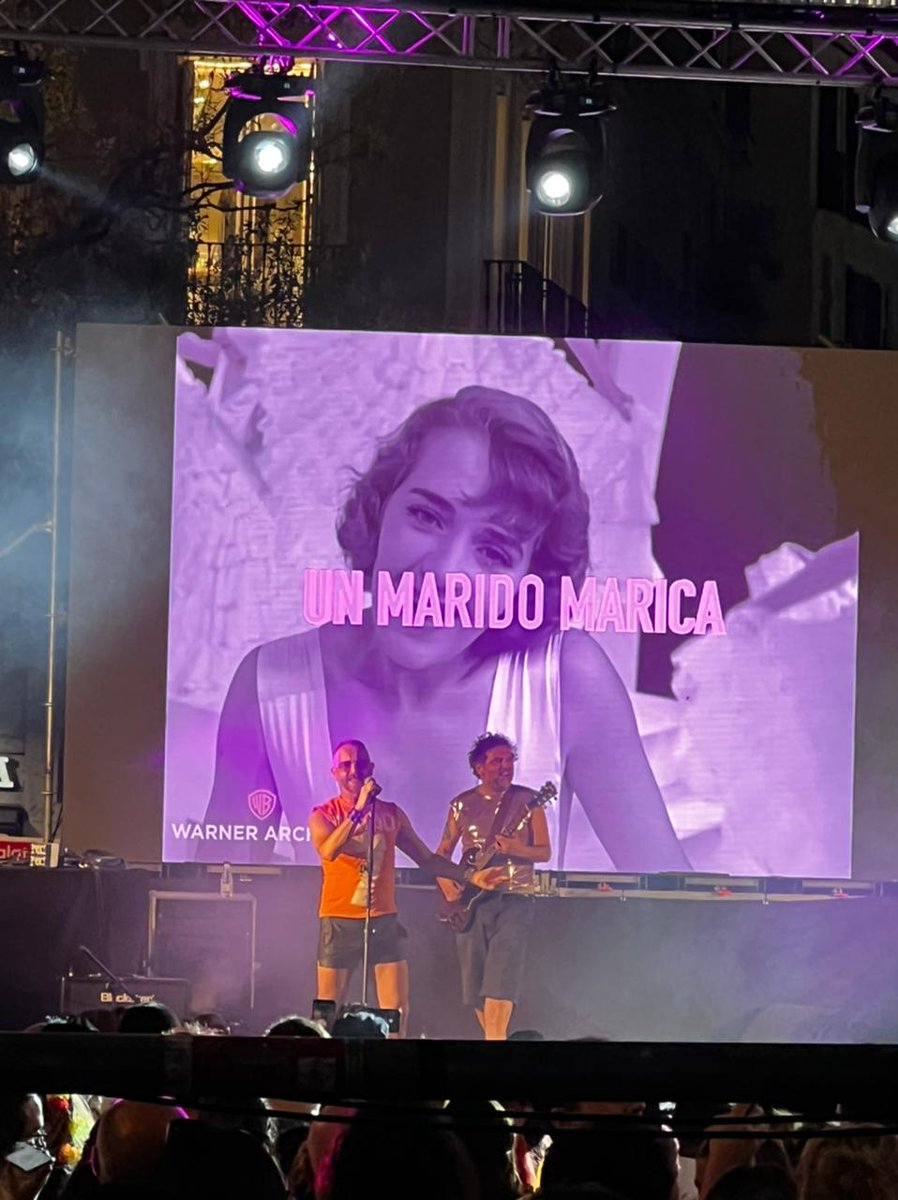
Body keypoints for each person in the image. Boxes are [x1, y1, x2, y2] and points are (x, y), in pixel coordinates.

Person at [196, 381, 689, 873]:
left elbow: (678, 905)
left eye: (493, 551)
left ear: (531, 580)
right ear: (380, 510)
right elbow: (209, 908)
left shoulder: (568, 681)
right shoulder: (269, 684)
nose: (442, 573)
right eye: (427, 516)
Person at [310, 739, 493, 1038]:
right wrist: (358, 810)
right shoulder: (323, 814)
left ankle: (395, 1060)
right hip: (339, 919)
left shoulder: (391, 814)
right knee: (328, 1008)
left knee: (396, 1008)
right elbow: (329, 850)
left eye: (360, 763)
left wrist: (471, 875)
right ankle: (324, 1061)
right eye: (345, 765)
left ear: (370, 768)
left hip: (383, 919)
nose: (353, 770)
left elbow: (427, 859)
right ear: (334, 773)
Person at [435, 733, 550, 1041]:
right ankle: (496, 1047)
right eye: (497, 760)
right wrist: (449, 888)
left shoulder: (529, 801)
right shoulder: (461, 805)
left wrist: (515, 848)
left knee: (501, 980)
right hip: (472, 904)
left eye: (509, 760)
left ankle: (495, 1050)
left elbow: (544, 852)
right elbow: (441, 856)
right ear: (479, 767)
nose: (505, 766)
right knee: (475, 988)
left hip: (515, 899)